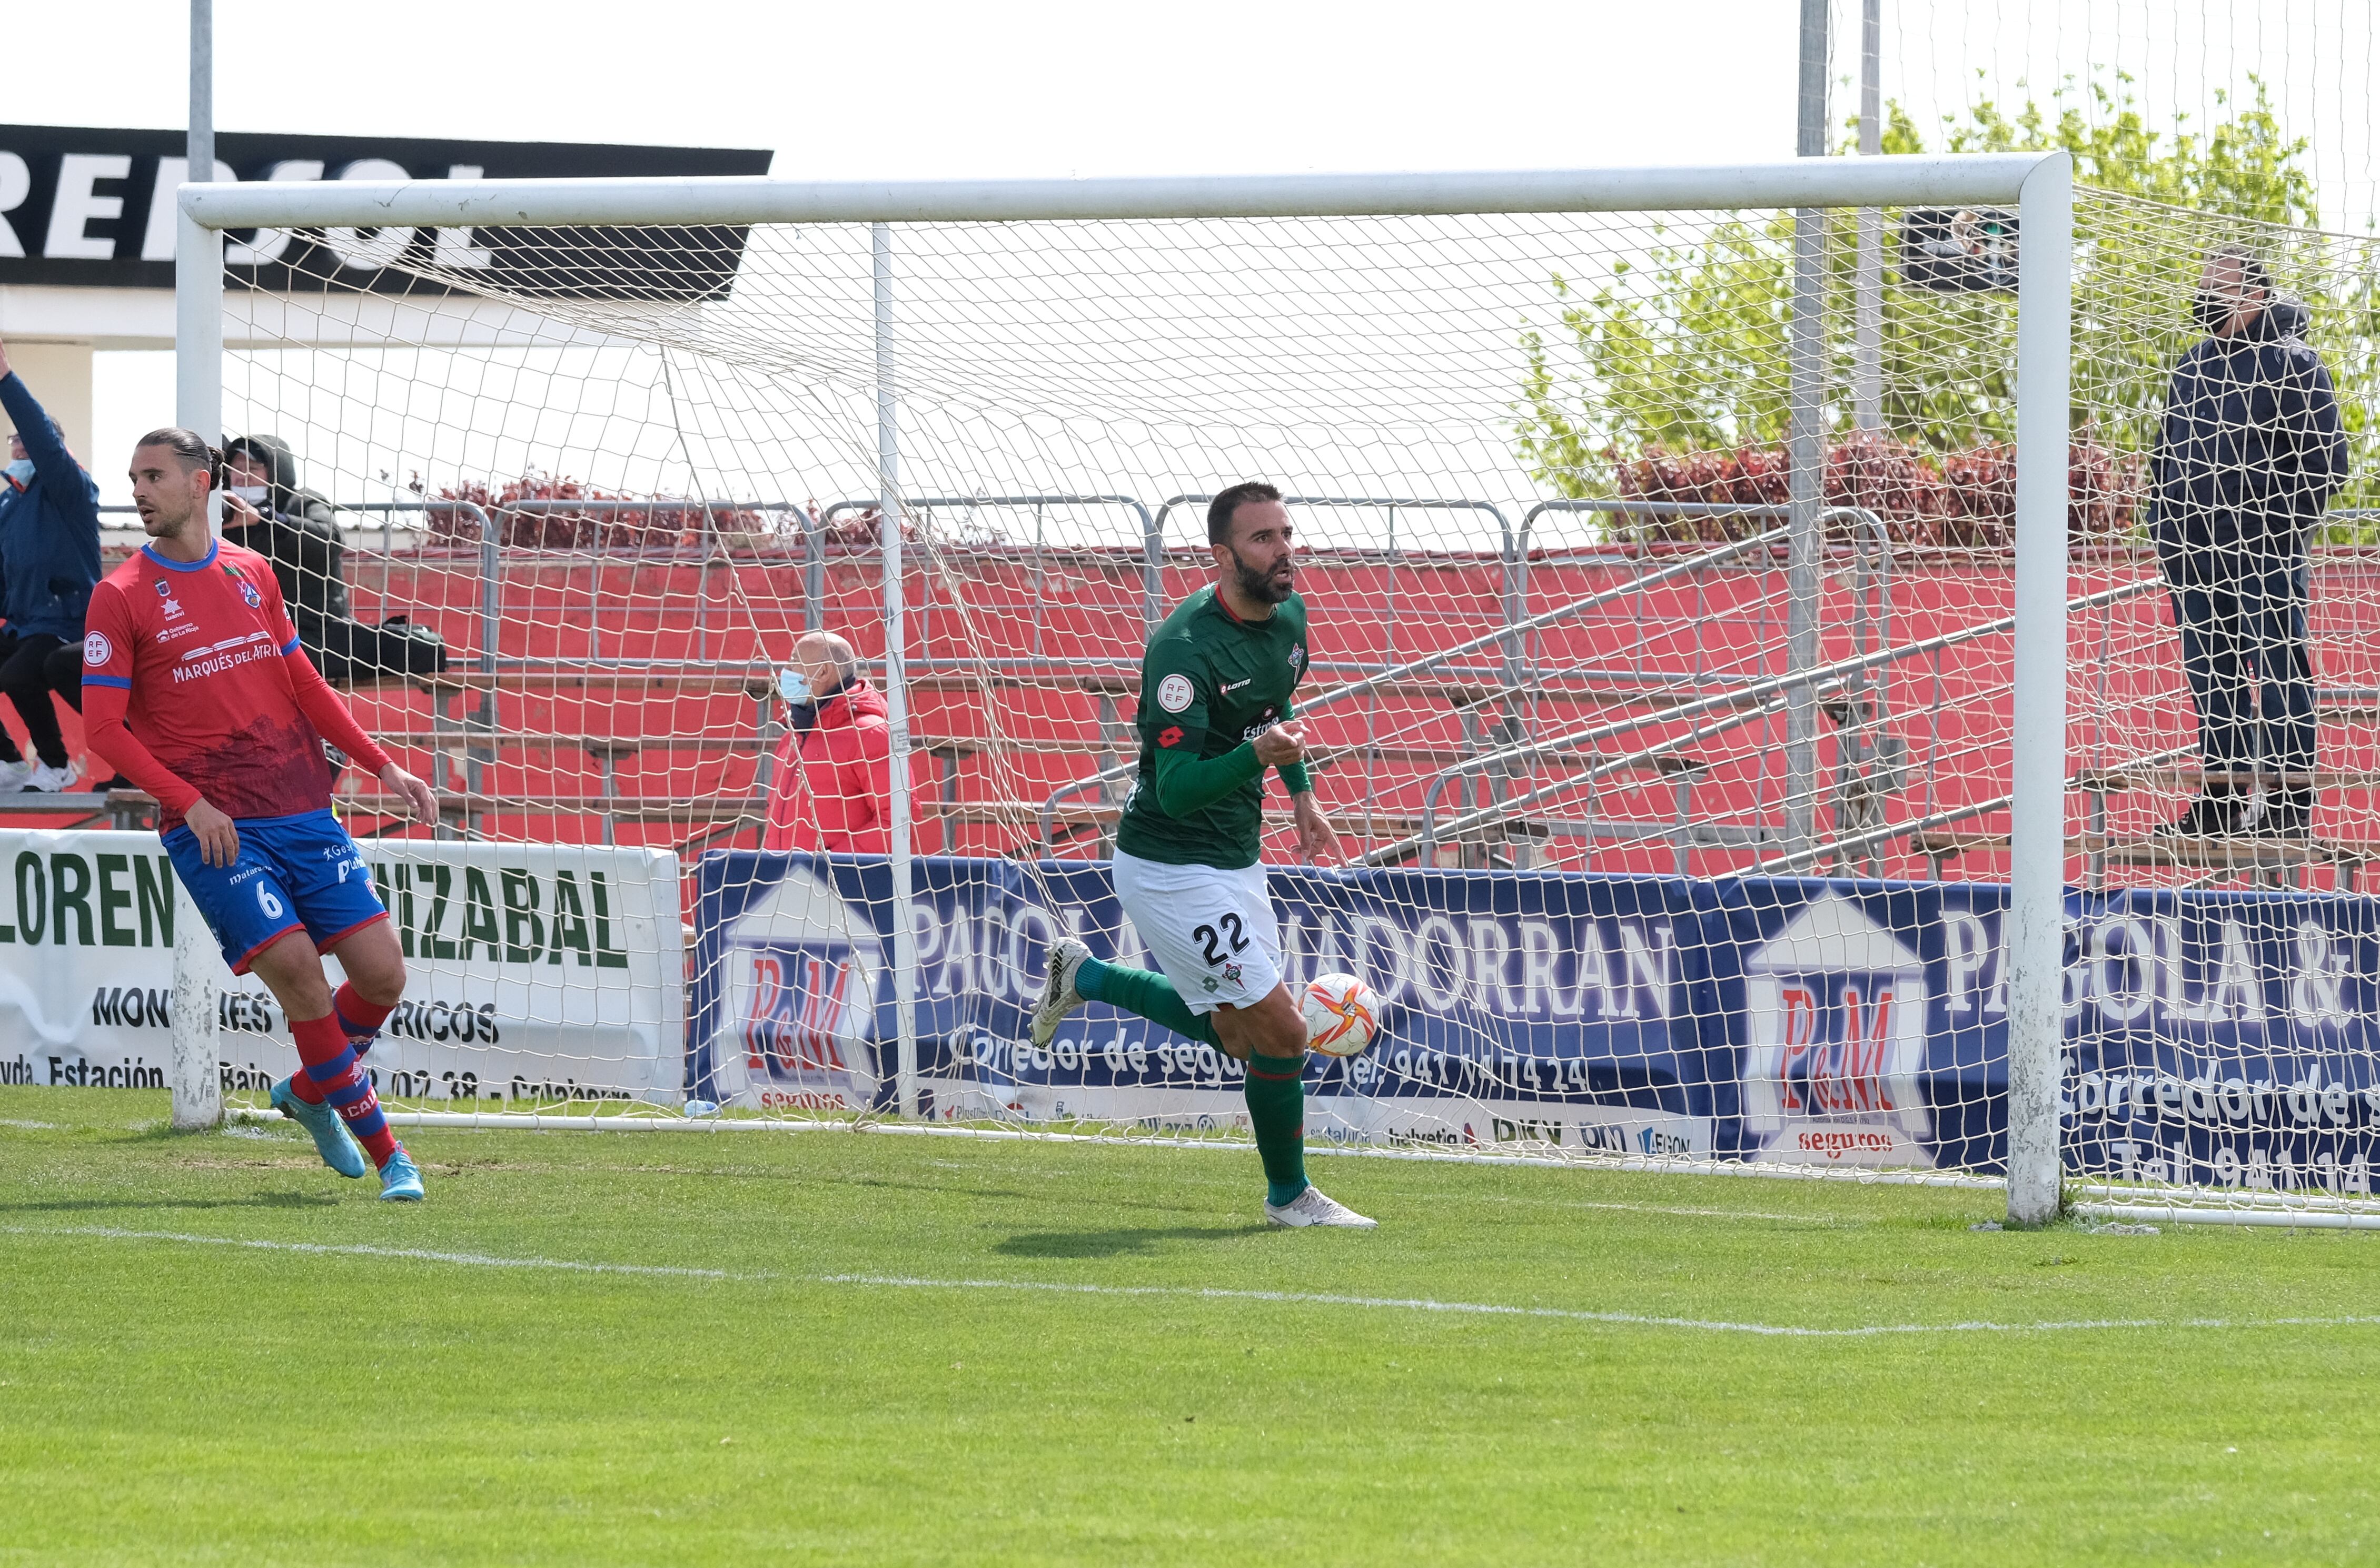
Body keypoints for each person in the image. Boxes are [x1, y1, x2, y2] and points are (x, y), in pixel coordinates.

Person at [87, 429, 441, 1202]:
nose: (139, 490)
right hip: (214, 827)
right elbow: (103, 730)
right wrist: (190, 801)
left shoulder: (254, 572)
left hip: (302, 807)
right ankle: (391, 1157)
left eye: (153, 476)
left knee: (383, 976)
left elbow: (304, 683)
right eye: (133, 477)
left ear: (201, 483)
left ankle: (310, 1092)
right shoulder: (120, 594)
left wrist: (385, 763)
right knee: (303, 981)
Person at [1029, 481, 1371, 1229]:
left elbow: (1273, 708)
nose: (1283, 549)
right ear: (1222, 555)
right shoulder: (1182, 651)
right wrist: (1258, 757)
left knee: (1236, 1035)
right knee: (1284, 1032)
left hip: (1235, 857)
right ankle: (1291, 1198)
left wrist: (1302, 794)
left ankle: (1083, 975)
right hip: (1167, 865)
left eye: (1286, 533)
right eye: (1263, 539)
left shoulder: (1291, 619)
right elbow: (1178, 789)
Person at [2150, 244, 2347, 839]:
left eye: (2220, 283)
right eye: (2202, 280)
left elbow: (2327, 465)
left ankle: (2287, 811)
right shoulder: (2188, 367)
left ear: (2256, 294)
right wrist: (2165, 528)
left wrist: (2270, 522)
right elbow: (2164, 458)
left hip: (2264, 550)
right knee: (2211, 675)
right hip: (2190, 550)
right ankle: (2221, 803)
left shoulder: (2295, 362)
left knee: (2279, 670)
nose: (2205, 293)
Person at [221, 435, 448, 686]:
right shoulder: (221, 513)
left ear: (277, 471)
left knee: (418, 651)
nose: (242, 477)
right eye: (236, 470)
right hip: (250, 632)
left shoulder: (303, 501)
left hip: (315, 632)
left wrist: (267, 520)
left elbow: (330, 540)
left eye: (252, 469)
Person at [0, 338, 102, 791]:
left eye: (28, 443)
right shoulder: (10, 504)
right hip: (26, 623)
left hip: (67, 617)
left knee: (20, 673)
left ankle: (57, 764)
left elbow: (41, 438)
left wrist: (6, 381)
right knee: (17, 663)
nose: (20, 450)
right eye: (13, 443)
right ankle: (10, 762)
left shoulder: (69, 488)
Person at [760, 629, 911, 854]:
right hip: (785, 880)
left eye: (794, 662)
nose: (786, 671)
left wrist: (834, 865)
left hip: (843, 884)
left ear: (823, 672)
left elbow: (898, 822)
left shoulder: (870, 733)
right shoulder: (793, 735)